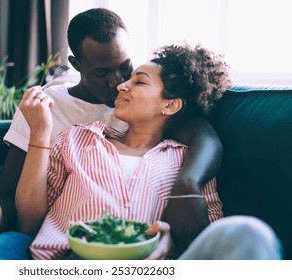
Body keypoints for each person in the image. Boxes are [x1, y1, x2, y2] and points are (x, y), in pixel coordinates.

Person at [0, 8, 222, 259]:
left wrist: (186, 187)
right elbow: (21, 204)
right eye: (102, 72)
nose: (118, 83)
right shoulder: (60, 120)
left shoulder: (162, 131)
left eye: (126, 69)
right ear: (76, 64)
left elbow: (203, 136)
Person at [15, 43, 281, 260]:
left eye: (139, 82)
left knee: (251, 232)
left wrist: (173, 245)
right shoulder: (78, 138)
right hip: (72, 263)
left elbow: (205, 240)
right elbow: (29, 223)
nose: (121, 86)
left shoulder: (186, 160)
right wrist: (39, 134)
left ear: (170, 105)